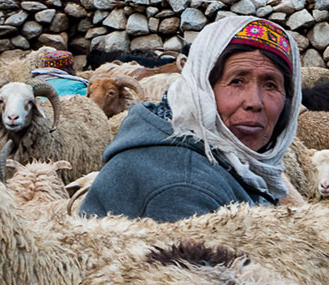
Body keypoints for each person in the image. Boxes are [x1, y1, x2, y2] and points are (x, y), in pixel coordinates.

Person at [79, 16, 302, 222]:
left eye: (271, 85)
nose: (254, 102)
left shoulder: (222, 159)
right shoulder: (185, 189)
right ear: (201, 89)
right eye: (236, 81)